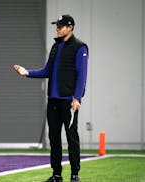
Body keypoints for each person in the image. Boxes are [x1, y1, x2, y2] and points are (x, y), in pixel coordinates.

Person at [14, 14, 88, 182]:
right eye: (57, 25)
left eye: (61, 26)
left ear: (70, 27)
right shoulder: (56, 46)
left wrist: (77, 99)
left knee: (72, 138)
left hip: (68, 101)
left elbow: (82, 75)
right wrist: (27, 73)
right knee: (54, 139)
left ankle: (75, 175)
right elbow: (47, 70)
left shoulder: (80, 47)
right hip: (53, 101)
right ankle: (56, 174)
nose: (57, 28)